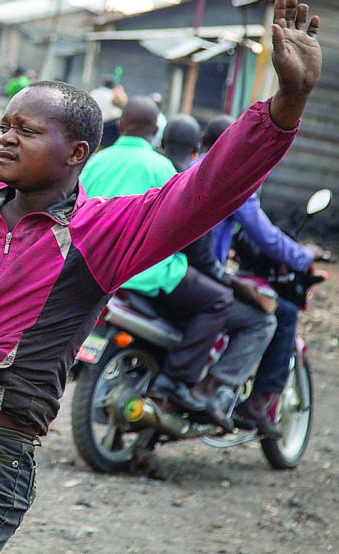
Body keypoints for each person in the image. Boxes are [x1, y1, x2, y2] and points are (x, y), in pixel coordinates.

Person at [0, 0, 322, 552]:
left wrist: (287, 102)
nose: (6, 136)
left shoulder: (103, 234)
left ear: (77, 152)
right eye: (5, 124)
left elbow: (207, 189)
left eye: (27, 130)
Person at [80, 98, 234, 430]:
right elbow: (180, 227)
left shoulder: (94, 162)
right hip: (147, 273)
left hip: (94, 269)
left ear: (120, 126)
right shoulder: (162, 168)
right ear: (155, 132)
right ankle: (176, 383)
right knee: (219, 300)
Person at [202, 114, 320, 439]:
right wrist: (302, 255)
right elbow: (265, 236)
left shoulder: (183, 167)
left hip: (167, 271)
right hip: (201, 276)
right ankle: (247, 400)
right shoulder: (234, 178)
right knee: (275, 314)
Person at [161, 114, 279, 436]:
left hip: (131, 271)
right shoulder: (215, 180)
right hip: (172, 273)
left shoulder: (161, 167)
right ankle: (207, 391)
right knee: (256, 318)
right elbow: (204, 252)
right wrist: (229, 281)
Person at [89, 75, 127, 150]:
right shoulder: (114, 94)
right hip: (108, 126)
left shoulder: (95, 92)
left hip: (94, 124)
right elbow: (122, 103)